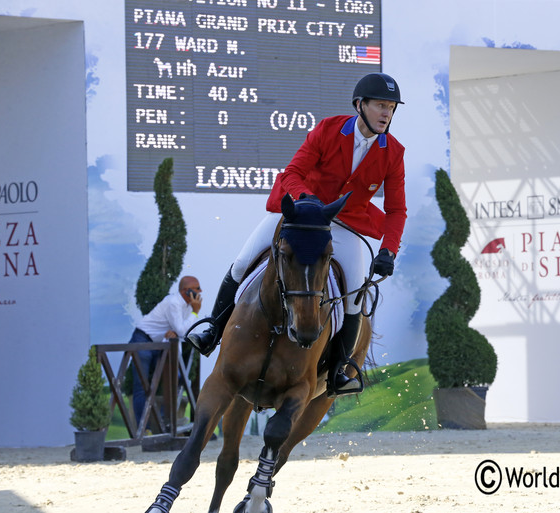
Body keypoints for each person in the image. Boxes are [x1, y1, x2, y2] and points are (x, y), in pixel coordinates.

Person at [188, 72, 407, 395]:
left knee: (354, 299)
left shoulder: (393, 152)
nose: (386, 113)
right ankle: (213, 330)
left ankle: (339, 372)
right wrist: (307, 202)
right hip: (299, 215)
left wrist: (388, 251)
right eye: (380, 106)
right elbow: (293, 173)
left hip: (344, 224)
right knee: (242, 262)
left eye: (390, 107)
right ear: (359, 105)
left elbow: (395, 211)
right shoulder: (328, 130)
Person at [129, 275, 202, 427]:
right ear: (186, 291)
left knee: (173, 379)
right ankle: (144, 430)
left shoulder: (188, 306)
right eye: (197, 289)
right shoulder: (174, 303)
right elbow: (183, 330)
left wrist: (177, 331)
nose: (200, 291)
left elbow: (181, 331)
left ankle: (162, 423)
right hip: (142, 340)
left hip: (159, 343)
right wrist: (195, 313)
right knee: (142, 387)